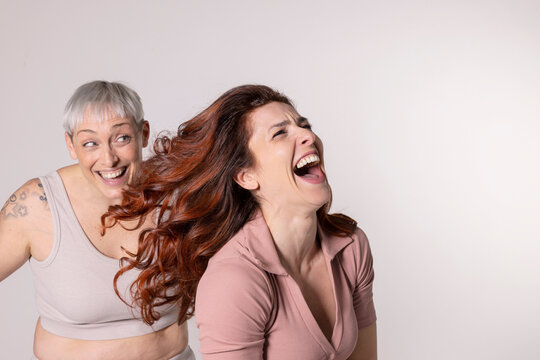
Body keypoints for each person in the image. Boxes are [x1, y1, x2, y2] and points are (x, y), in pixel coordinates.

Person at [106, 84, 377, 359]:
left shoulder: (350, 246)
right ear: (246, 176)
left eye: (303, 125)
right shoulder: (234, 279)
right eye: (281, 133)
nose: (308, 135)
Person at [0, 81, 193, 360]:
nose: (109, 159)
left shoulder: (178, 194)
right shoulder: (37, 203)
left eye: (122, 138)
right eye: (90, 143)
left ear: (144, 133)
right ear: (71, 145)